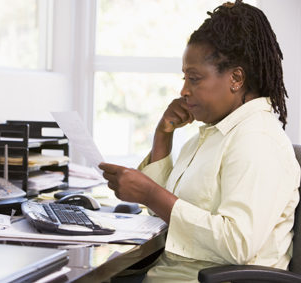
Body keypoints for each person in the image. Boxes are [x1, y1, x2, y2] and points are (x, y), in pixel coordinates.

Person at [99, 1, 301, 282]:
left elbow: (237, 244)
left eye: (194, 79)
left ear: (236, 78)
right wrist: (162, 136)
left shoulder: (258, 140)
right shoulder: (212, 134)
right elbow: (165, 209)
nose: (183, 90)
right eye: (185, 78)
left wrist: (150, 194)